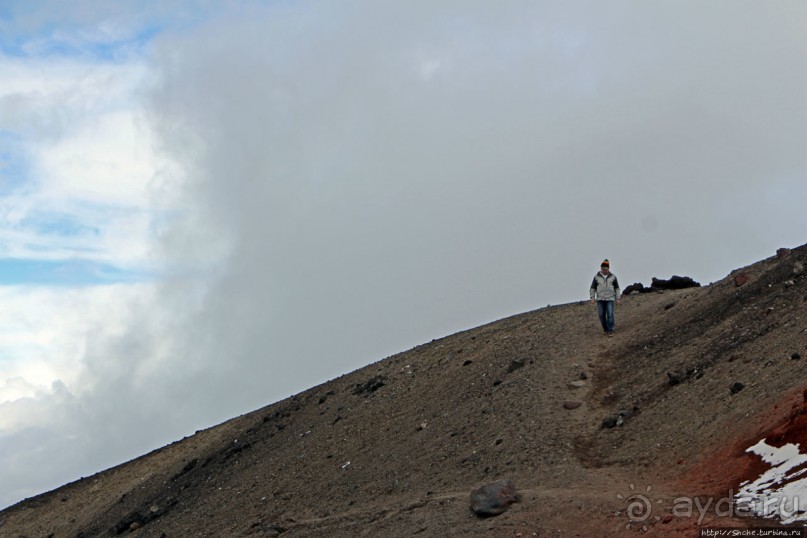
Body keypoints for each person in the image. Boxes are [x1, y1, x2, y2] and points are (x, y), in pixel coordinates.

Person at [589, 259, 621, 336]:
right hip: (600, 299)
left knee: (610, 314)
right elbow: (593, 288)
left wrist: (618, 298)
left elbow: (617, 288)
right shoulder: (596, 277)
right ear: (601, 268)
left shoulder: (613, 277)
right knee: (601, 315)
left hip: (610, 299)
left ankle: (611, 330)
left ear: (608, 268)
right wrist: (592, 298)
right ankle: (605, 329)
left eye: (606, 268)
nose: (604, 269)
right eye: (603, 268)